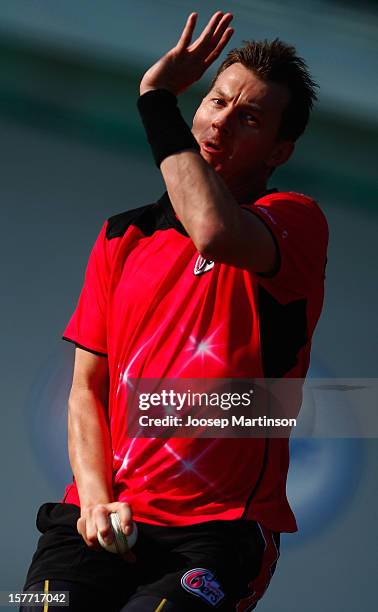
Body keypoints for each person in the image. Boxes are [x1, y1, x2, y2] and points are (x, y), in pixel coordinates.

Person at [22, 11, 328, 612]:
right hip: (99, 521)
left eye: (250, 119)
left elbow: (212, 229)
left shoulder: (295, 220)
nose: (220, 123)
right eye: (215, 101)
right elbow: (88, 388)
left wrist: (156, 100)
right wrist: (92, 501)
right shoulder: (122, 236)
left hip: (216, 537)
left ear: (280, 150)